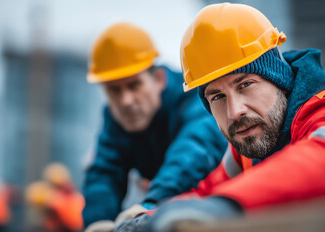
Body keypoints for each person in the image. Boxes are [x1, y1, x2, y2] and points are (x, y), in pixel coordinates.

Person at [115, 3, 325, 231]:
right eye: (217, 97)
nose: (235, 111)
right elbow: (205, 195)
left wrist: (228, 206)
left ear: (280, 80)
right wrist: (147, 217)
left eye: (245, 85)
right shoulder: (249, 147)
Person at [82, 22, 227, 231]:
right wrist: (97, 222)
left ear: (159, 79)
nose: (126, 101)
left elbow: (195, 148)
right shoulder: (114, 119)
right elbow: (104, 172)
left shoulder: (193, 95)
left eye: (134, 85)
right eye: (114, 90)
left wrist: (151, 204)